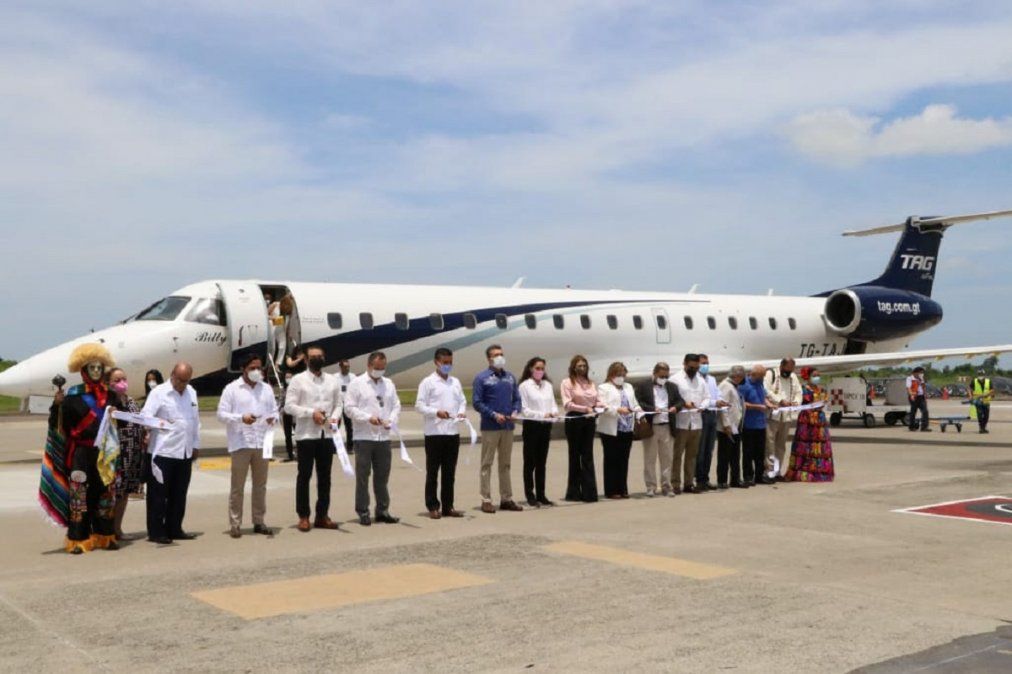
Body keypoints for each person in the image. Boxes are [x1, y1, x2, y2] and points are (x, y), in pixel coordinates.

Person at [44, 343, 119, 554]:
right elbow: (59, 426)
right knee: (80, 495)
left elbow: (120, 424)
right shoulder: (72, 396)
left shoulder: (111, 396)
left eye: (99, 367)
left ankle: (105, 535)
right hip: (81, 454)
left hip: (104, 453)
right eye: (91, 367)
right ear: (83, 370)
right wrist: (57, 406)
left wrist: (116, 415)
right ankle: (78, 537)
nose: (96, 371)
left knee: (105, 493)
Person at [217, 354, 279, 538]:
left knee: (260, 486)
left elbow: (275, 411)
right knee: (238, 486)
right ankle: (235, 523)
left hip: (262, 441)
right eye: (252, 368)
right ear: (244, 368)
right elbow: (221, 414)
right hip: (241, 442)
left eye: (259, 368)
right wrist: (240, 418)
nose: (257, 371)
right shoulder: (232, 389)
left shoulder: (266, 388)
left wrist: (273, 418)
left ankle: (259, 521)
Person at [284, 345, 343, 532]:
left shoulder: (332, 380)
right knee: (304, 476)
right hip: (306, 435)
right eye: (312, 357)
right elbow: (289, 407)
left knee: (325, 478)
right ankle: (303, 516)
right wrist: (311, 413)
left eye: (320, 356)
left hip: (326, 435)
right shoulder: (297, 380)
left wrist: (335, 417)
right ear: (306, 360)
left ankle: (322, 515)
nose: (316, 359)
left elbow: (339, 403)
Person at [142, 362, 201, 544]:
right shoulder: (159, 392)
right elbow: (145, 416)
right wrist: (157, 424)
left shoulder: (191, 392)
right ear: (172, 375)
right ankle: (156, 531)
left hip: (184, 451)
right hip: (163, 451)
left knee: (179, 493)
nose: (182, 384)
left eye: (186, 380)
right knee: (158, 494)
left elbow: (195, 421)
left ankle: (175, 528)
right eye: (180, 380)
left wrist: (196, 445)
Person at [345, 352, 401, 526]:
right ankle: (363, 511)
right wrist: (367, 417)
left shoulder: (389, 384)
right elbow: (349, 408)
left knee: (382, 476)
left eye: (382, 368)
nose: (379, 371)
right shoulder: (356, 384)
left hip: (383, 437)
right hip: (364, 436)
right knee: (363, 476)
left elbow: (396, 405)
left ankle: (383, 510)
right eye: (376, 368)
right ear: (369, 365)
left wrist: (391, 421)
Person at [415, 348, 467, 519]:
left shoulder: (455, 382)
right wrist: (436, 412)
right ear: (436, 362)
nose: (448, 365)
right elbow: (419, 406)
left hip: (452, 433)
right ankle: (432, 506)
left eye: (450, 362)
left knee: (449, 473)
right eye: (445, 363)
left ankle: (448, 506)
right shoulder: (427, 382)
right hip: (434, 433)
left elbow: (462, 401)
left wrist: (461, 412)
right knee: (433, 472)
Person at [472, 345, 523, 513]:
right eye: (496, 355)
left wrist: (516, 410)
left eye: (501, 354)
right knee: (487, 463)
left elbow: (516, 398)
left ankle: (506, 498)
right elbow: (477, 402)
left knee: (505, 464)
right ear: (489, 359)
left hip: (508, 426)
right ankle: (486, 499)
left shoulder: (510, 377)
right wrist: (493, 414)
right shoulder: (482, 378)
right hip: (491, 426)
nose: (500, 357)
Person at [634, 362, 684, 497]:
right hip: (651, 427)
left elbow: (680, 401)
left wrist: (676, 408)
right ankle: (650, 486)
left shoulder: (672, 386)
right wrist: (652, 409)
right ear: (654, 373)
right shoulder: (644, 386)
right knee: (650, 459)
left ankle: (666, 486)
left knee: (667, 458)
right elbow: (637, 402)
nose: (664, 378)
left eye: (666, 376)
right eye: (661, 376)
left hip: (667, 426)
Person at [107, 367, 146, 540]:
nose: (121, 383)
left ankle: (117, 528)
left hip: (132, 455)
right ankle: (105, 530)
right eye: (116, 380)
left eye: (123, 378)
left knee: (124, 494)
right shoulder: (108, 403)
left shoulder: (131, 401)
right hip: (116, 456)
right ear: (108, 383)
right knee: (112, 494)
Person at [518, 356, 559, 507]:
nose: (540, 371)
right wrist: (542, 415)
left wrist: (553, 413)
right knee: (530, 463)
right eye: (537, 368)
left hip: (545, 427)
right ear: (531, 369)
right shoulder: (524, 386)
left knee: (542, 462)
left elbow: (553, 404)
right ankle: (530, 494)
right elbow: (524, 410)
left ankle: (542, 494)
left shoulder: (547, 385)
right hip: (532, 426)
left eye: (542, 369)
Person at [597, 362, 641, 499]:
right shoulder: (603, 388)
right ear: (611, 375)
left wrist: (640, 413)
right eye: (618, 374)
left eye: (623, 374)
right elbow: (602, 406)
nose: (621, 377)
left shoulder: (628, 387)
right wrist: (617, 409)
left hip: (627, 428)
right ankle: (611, 490)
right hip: (611, 428)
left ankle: (622, 488)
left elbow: (634, 404)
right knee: (611, 460)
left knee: (624, 459)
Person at [785, 367, 835, 482]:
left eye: (818, 375)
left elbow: (822, 403)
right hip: (806, 419)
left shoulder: (821, 390)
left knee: (819, 445)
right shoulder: (803, 390)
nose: (817, 377)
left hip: (819, 419)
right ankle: (803, 471)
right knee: (804, 445)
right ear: (808, 376)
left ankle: (818, 470)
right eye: (814, 375)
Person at [560, 354, 599, 503]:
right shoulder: (567, 383)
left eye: (584, 366)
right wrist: (585, 409)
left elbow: (597, 399)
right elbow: (567, 404)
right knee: (575, 456)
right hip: (574, 420)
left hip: (589, 421)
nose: (582, 368)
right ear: (573, 367)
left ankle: (590, 493)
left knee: (588, 456)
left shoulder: (591, 383)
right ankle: (574, 492)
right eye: (579, 366)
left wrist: (601, 406)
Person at [671, 354, 710, 494]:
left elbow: (707, 397)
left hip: (696, 423)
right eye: (691, 367)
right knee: (677, 455)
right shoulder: (675, 379)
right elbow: (672, 398)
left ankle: (689, 483)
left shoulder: (700, 380)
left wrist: (702, 406)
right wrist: (683, 404)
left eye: (696, 367)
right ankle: (675, 483)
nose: (694, 370)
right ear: (684, 364)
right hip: (681, 423)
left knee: (692, 456)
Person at [764, 358, 803, 480]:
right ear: (781, 366)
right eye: (787, 369)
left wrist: (796, 402)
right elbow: (766, 390)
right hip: (773, 415)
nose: (789, 372)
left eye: (791, 369)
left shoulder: (793, 377)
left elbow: (798, 392)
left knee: (781, 446)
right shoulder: (771, 374)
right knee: (769, 444)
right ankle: (769, 471)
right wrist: (779, 400)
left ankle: (777, 471)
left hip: (786, 417)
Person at [695, 354, 727, 490]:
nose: (705, 365)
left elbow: (717, 394)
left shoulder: (712, 379)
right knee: (700, 450)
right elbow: (700, 399)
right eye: (703, 363)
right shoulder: (695, 380)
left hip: (712, 415)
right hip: (701, 415)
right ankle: (698, 479)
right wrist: (715, 402)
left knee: (709, 450)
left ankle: (705, 478)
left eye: (707, 363)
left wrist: (720, 401)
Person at [739, 365, 772, 486]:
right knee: (748, 452)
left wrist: (768, 404)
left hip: (761, 424)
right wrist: (758, 407)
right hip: (748, 425)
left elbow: (764, 397)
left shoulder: (760, 384)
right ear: (754, 374)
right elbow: (742, 403)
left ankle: (759, 475)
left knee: (760, 453)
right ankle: (748, 476)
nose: (763, 378)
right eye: (761, 376)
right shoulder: (744, 385)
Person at [716, 365, 747, 489]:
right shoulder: (725, 386)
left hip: (736, 426)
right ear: (737, 376)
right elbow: (723, 408)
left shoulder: (734, 386)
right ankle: (722, 480)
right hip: (727, 427)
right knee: (724, 455)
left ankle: (735, 479)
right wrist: (726, 424)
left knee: (735, 454)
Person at [280, 346, 306, 462]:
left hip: (296, 409)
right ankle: (290, 454)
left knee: (298, 432)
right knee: (287, 433)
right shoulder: (289, 360)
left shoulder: (302, 375)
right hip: (286, 410)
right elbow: (290, 364)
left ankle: (300, 453)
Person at [336, 359, 356, 451]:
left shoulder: (353, 377)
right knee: (335, 426)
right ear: (340, 367)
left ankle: (350, 447)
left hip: (348, 404)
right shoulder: (335, 377)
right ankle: (334, 447)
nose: (347, 368)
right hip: (338, 404)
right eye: (345, 367)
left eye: (348, 367)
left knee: (349, 427)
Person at [969, 369, 994, 434]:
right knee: (980, 415)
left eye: (982, 374)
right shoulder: (974, 381)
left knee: (986, 416)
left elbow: (992, 390)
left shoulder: (988, 381)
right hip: (978, 401)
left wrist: (987, 394)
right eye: (979, 374)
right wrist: (970, 396)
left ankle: (983, 427)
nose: (981, 376)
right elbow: (970, 389)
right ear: (978, 375)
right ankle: (981, 428)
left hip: (986, 401)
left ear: (984, 375)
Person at [906, 366, 931, 432]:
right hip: (914, 397)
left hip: (921, 397)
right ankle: (912, 427)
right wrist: (911, 395)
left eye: (922, 373)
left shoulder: (921, 378)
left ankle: (924, 427)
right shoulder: (910, 378)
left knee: (925, 411)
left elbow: (923, 387)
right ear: (915, 372)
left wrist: (925, 395)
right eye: (920, 373)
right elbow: (908, 388)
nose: (922, 374)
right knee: (913, 412)